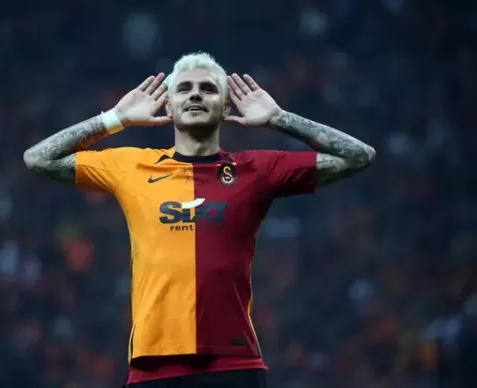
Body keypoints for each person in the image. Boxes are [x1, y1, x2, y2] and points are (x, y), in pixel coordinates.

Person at [23, 52, 375, 388]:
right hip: (153, 366)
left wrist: (279, 118)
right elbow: (39, 159)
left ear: (226, 107)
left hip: (233, 365)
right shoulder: (131, 166)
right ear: (169, 106)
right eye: (184, 89)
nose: (195, 95)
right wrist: (116, 119)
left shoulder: (256, 169)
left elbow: (358, 156)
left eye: (208, 89)